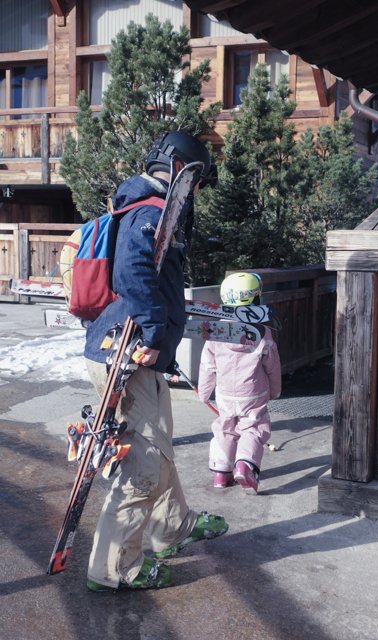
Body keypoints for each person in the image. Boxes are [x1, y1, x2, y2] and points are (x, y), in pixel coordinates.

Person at [83, 131, 228, 592]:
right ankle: (113, 569)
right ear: (183, 171)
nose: (197, 192)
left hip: (136, 352)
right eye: (197, 181)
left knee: (157, 448)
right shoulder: (148, 212)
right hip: (129, 352)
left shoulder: (147, 208)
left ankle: (173, 527)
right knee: (142, 463)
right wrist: (150, 332)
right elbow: (133, 273)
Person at [197, 272, 282, 494]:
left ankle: (220, 472)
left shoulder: (216, 331)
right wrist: (275, 390)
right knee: (253, 428)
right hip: (253, 393)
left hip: (225, 394)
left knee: (225, 428)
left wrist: (204, 393)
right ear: (255, 299)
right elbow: (272, 366)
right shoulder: (262, 332)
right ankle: (245, 465)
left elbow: (208, 365)